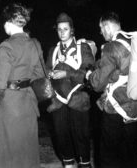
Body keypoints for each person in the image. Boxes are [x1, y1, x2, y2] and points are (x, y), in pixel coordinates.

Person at [0, 3, 45, 168]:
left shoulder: (6, 46)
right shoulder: (35, 44)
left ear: (8, 22)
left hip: (9, 104)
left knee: (7, 151)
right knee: (27, 150)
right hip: (28, 102)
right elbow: (39, 76)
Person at [86, 11, 137, 168]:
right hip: (135, 106)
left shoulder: (111, 47)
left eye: (101, 27)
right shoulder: (134, 42)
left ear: (107, 26)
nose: (100, 31)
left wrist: (90, 75)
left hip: (116, 108)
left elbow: (97, 84)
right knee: (131, 153)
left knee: (108, 156)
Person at [46, 13, 95, 168]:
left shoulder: (83, 48)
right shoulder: (53, 51)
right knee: (61, 135)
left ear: (72, 30)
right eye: (59, 29)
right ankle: (68, 163)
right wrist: (48, 73)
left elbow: (90, 75)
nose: (62, 32)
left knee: (81, 136)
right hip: (59, 100)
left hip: (78, 98)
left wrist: (67, 73)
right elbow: (46, 69)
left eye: (65, 29)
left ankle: (85, 163)